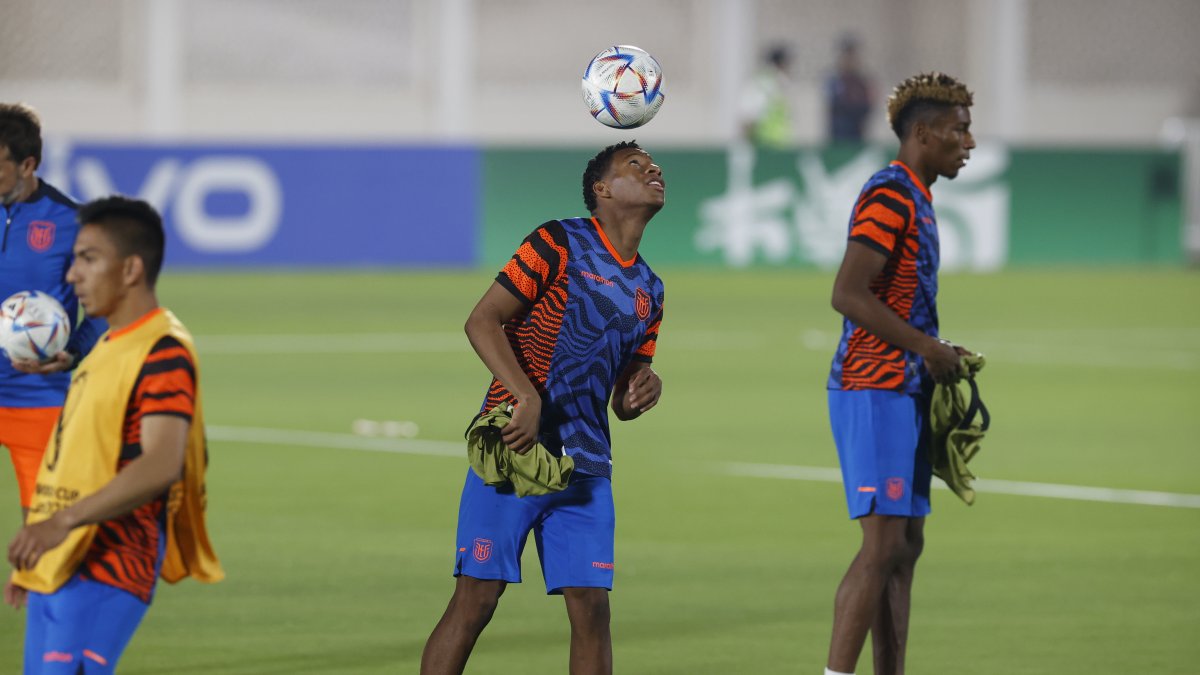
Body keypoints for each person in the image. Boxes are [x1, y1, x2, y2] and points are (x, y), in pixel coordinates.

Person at [421, 141, 666, 675]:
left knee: (592, 611)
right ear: (601, 191)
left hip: (585, 465)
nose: (653, 170)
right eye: (636, 165)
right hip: (514, 448)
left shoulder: (650, 289)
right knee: (476, 602)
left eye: (653, 165)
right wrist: (524, 396)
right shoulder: (558, 241)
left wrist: (641, 391)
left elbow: (623, 392)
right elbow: (482, 321)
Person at [5, 196, 223, 673]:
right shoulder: (107, 347)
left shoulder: (164, 350)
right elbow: (72, 459)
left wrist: (59, 524)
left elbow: (161, 463)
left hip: (113, 559)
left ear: (130, 269)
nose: (71, 275)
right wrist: (41, 553)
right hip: (62, 560)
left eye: (88, 258)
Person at [823, 72, 976, 675]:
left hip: (904, 385)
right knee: (883, 543)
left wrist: (936, 350)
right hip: (872, 384)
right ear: (922, 133)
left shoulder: (918, 195)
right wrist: (924, 347)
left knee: (905, 547)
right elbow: (847, 292)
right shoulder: (889, 192)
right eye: (959, 130)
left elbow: (896, 297)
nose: (969, 142)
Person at [0, 103, 106, 519]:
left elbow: (101, 308)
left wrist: (74, 355)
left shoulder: (72, 222)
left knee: (45, 537)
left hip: (38, 399)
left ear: (28, 164)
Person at [741, 43, 795, 148]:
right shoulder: (764, 84)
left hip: (781, 146)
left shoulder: (781, 85)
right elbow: (749, 118)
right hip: (765, 146)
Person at [825, 35, 875, 144]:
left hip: (857, 133)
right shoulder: (835, 81)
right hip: (839, 134)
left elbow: (868, 105)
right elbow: (833, 106)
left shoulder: (861, 81)